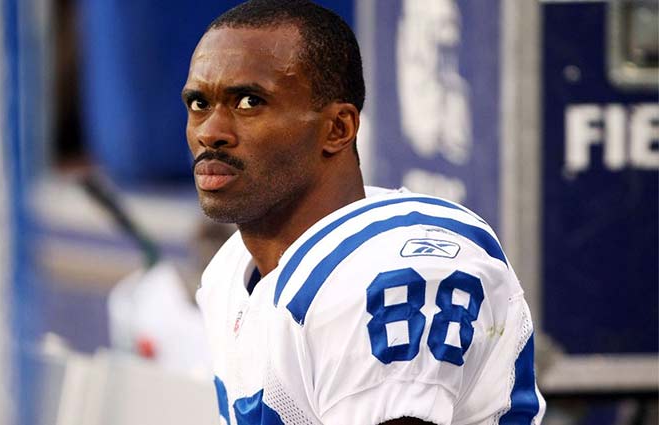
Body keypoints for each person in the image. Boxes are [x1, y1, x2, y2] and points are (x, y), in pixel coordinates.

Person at [182, 1, 546, 424]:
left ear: (338, 128)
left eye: (249, 102)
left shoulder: (388, 274)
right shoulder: (230, 269)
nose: (210, 132)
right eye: (199, 103)